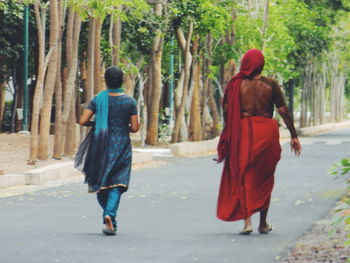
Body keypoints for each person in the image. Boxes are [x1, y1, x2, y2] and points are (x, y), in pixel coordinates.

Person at [216, 49, 301, 235]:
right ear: (261, 65)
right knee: (264, 177)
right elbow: (284, 110)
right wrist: (294, 135)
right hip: (266, 132)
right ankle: (263, 223)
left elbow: (226, 112)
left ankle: (247, 222)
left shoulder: (235, 85)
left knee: (245, 175)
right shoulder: (271, 84)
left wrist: (227, 136)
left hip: (243, 131)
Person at [77, 66, 139, 236]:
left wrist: (97, 124)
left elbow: (83, 120)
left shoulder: (98, 99)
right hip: (121, 146)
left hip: (100, 145)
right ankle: (109, 215)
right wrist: (121, 126)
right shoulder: (129, 101)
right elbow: (134, 128)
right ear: (122, 81)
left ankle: (109, 216)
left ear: (106, 80)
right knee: (118, 183)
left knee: (101, 184)